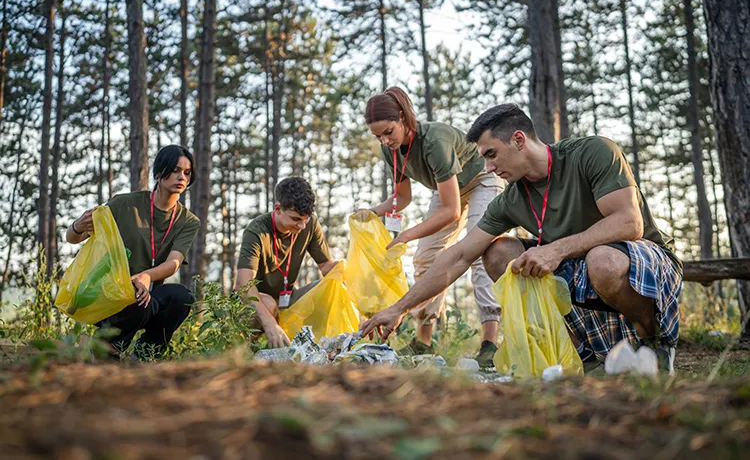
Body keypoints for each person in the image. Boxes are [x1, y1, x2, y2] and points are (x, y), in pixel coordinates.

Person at [361, 104, 682, 374]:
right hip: (579, 270)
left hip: (644, 264)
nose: (487, 167)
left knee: (603, 260)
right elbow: (459, 255)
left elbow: (629, 223)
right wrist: (400, 308)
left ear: (518, 140)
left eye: (491, 155)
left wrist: (556, 249)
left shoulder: (593, 152)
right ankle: (578, 353)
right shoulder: (512, 199)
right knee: (498, 253)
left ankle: (653, 340)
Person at [364, 87, 503, 365]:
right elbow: (403, 197)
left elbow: (451, 212)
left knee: (480, 254)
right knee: (426, 257)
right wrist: (371, 213)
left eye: (389, 131)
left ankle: (489, 343)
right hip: (449, 189)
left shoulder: (434, 141)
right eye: (378, 135)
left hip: (481, 180)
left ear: (403, 118)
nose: (384, 140)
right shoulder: (389, 150)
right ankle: (424, 341)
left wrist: (407, 234)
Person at [66, 145, 201, 358]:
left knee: (180, 297)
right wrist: (76, 226)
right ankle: (103, 352)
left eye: (186, 172)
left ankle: (145, 355)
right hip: (108, 294)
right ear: (159, 172)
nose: (181, 177)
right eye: (175, 170)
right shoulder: (124, 204)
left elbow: (173, 263)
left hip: (145, 294)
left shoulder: (188, 221)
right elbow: (74, 238)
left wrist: (146, 276)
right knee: (137, 301)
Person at [233, 177, 339, 348]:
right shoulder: (256, 232)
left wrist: (350, 271)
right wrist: (270, 324)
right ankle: (242, 352)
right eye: (296, 219)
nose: (302, 226)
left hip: (288, 298)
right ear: (278, 209)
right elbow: (242, 285)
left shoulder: (309, 224)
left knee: (328, 288)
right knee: (268, 303)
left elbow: (327, 267)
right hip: (256, 305)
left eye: (306, 219)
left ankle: (319, 350)